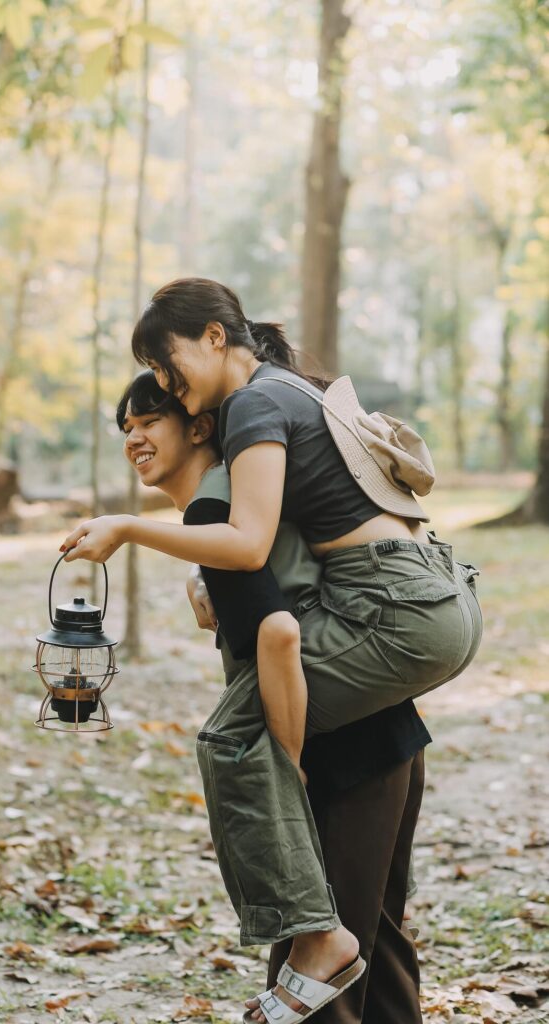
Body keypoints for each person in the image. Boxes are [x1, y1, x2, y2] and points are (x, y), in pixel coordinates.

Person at [61, 278, 483, 1023]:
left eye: (160, 388)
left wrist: (279, 760)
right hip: (420, 626)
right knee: (377, 942)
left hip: (368, 700)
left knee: (232, 742)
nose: (160, 401)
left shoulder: (247, 428)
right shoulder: (279, 406)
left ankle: (316, 938)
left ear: (216, 340)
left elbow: (269, 604)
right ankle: (322, 941)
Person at [116, 370, 430, 1023]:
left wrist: (285, 771)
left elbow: (280, 636)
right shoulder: (239, 502)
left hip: (336, 754)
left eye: (149, 421)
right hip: (387, 737)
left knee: (318, 968)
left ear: (199, 426)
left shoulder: (215, 511)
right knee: (375, 948)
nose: (135, 438)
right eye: (126, 428)